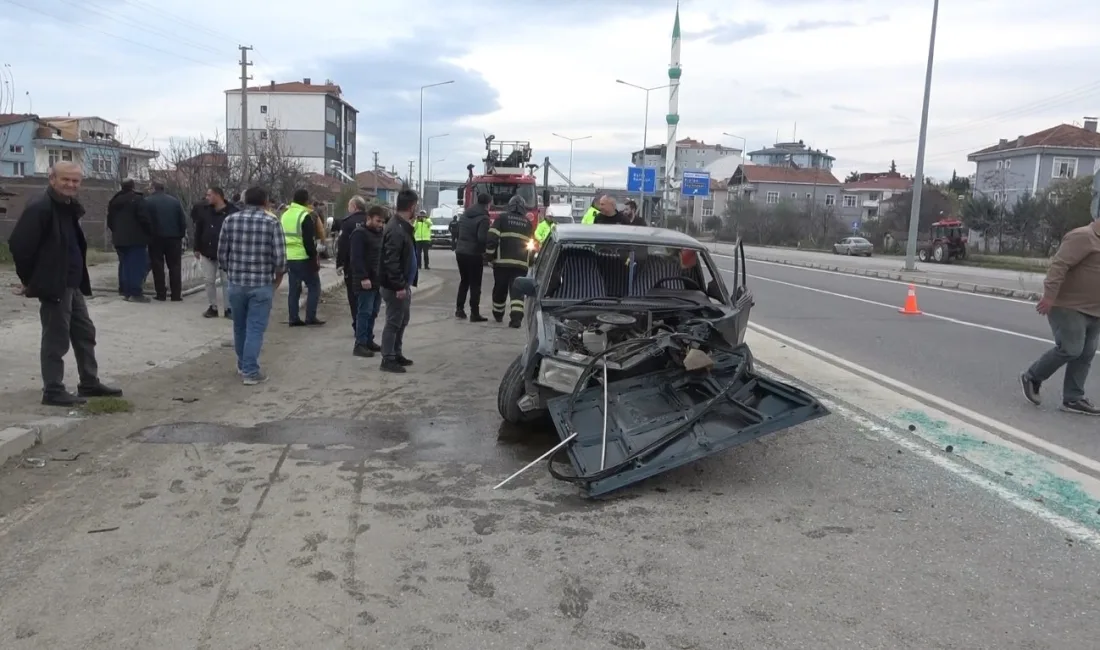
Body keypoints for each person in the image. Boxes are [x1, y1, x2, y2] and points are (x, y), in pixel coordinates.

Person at [7, 161, 124, 406]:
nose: (71, 185)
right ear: (52, 179)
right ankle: (53, 390)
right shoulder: (41, 207)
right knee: (55, 339)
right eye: (65, 180)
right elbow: (20, 246)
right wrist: (32, 281)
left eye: (75, 180)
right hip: (53, 284)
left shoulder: (68, 206)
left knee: (85, 333)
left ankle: (89, 383)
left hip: (72, 283)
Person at [1020, 217, 1100, 415]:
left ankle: (1073, 398)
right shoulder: (1083, 237)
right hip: (1068, 306)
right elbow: (1059, 266)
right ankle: (1032, 376)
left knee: (1086, 353)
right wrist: (1049, 296)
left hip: (1095, 310)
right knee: (1071, 349)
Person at [218, 186, 287, 385]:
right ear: (266, 202)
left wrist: (231, 271)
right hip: (261, 283)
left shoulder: (230, 220)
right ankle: (250, 371)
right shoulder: (272, 222)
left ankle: (242, 364)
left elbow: (222, 253)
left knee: (239, 326)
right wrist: (277, 279)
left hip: (236, 282)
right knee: (255, 328)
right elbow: (280, 258)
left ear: (244, 201)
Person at [379, 189, 420, 373]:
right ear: (411, 207)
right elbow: (391, 260)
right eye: (416, 206)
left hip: (403, 284)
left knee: (403, 319)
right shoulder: (396, 229)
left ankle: (396, 353)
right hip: (395, 286)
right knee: (394, 321)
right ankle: (387, 359)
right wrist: (398, 285)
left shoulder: (403, 226)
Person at [486, 194, 534, 328]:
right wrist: (529, 262)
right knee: (517, 292)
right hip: (521, 265)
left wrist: (489, 256)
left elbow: (492, 238)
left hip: (502, 263)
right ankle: (516, 319)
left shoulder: (502, 218)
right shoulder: (528, 223)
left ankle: (498, 313)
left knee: (500, 289)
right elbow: (532, 244)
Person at [280, 188, 325, 327]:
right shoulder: (304, 215)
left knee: (294, 289)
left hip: (289, 257)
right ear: (306, 201)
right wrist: (314, 257)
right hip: (303, 256)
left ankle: (293, 318)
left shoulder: (285, 215)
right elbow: (308, 241)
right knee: (314, 286)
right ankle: (310, 317)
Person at [193, 186, 239, 318]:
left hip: (226, 252)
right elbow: (199, 229)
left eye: (209, 195)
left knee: (226, 281)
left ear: (218, 195)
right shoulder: (205, 211)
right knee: (208, 280)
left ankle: (228, 308)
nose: (206, 198)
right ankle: (212, 306)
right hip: (207, 250)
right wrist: (197, 247)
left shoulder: (233, 212)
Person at [349, 204, 386, 358]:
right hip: (365, 280)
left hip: (377, 280)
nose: (380, 225)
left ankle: (369, 340)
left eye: (383, 222)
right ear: (369, 218)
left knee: (373, 312)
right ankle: (360, 344)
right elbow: (356, 258)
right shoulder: (359, 234)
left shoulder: (380, 233)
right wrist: (363, 277)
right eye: (378, 221)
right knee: (364, 312)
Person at [106, 178, 152, 303]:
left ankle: (125, 291)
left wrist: (116, 232)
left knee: (124, 265)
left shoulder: (114, 201)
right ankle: (135, 293)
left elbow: (109, 220)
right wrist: (148, 232)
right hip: (136, 238)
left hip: (119, 239)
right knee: (136, 265)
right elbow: (144, 219)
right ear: (133, 186)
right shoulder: (137, 199)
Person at [144, 181, 188, 301]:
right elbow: (182, 220)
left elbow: (145, 221)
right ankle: (176, 294)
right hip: (174, 238)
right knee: (175, 266)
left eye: (149, 188)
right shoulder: (174, 201)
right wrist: (180, 235)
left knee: (157, 266)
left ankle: (161, 293)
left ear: (153, 188)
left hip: (155, 238)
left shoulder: (147, 202)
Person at [455, 192, 491, 322]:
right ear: (488, 204)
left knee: (464, 281)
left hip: (460, 252)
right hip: (473, 253)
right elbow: (482, 238)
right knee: (475, 284)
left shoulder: (465, 214)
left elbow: (458, 231)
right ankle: (474, 313)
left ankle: (459, 309)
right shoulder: (484, 218)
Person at [335, 195, 370, 332]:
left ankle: (358, 324)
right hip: (370, 266)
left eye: (349, 206)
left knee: (353, 296)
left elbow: (342, 245)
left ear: (354, 207)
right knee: (368, 298)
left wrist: (339, 263)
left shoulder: (348, 222)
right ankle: (366, 327)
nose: (348, 209)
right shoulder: (370, 220)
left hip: (352, 266)